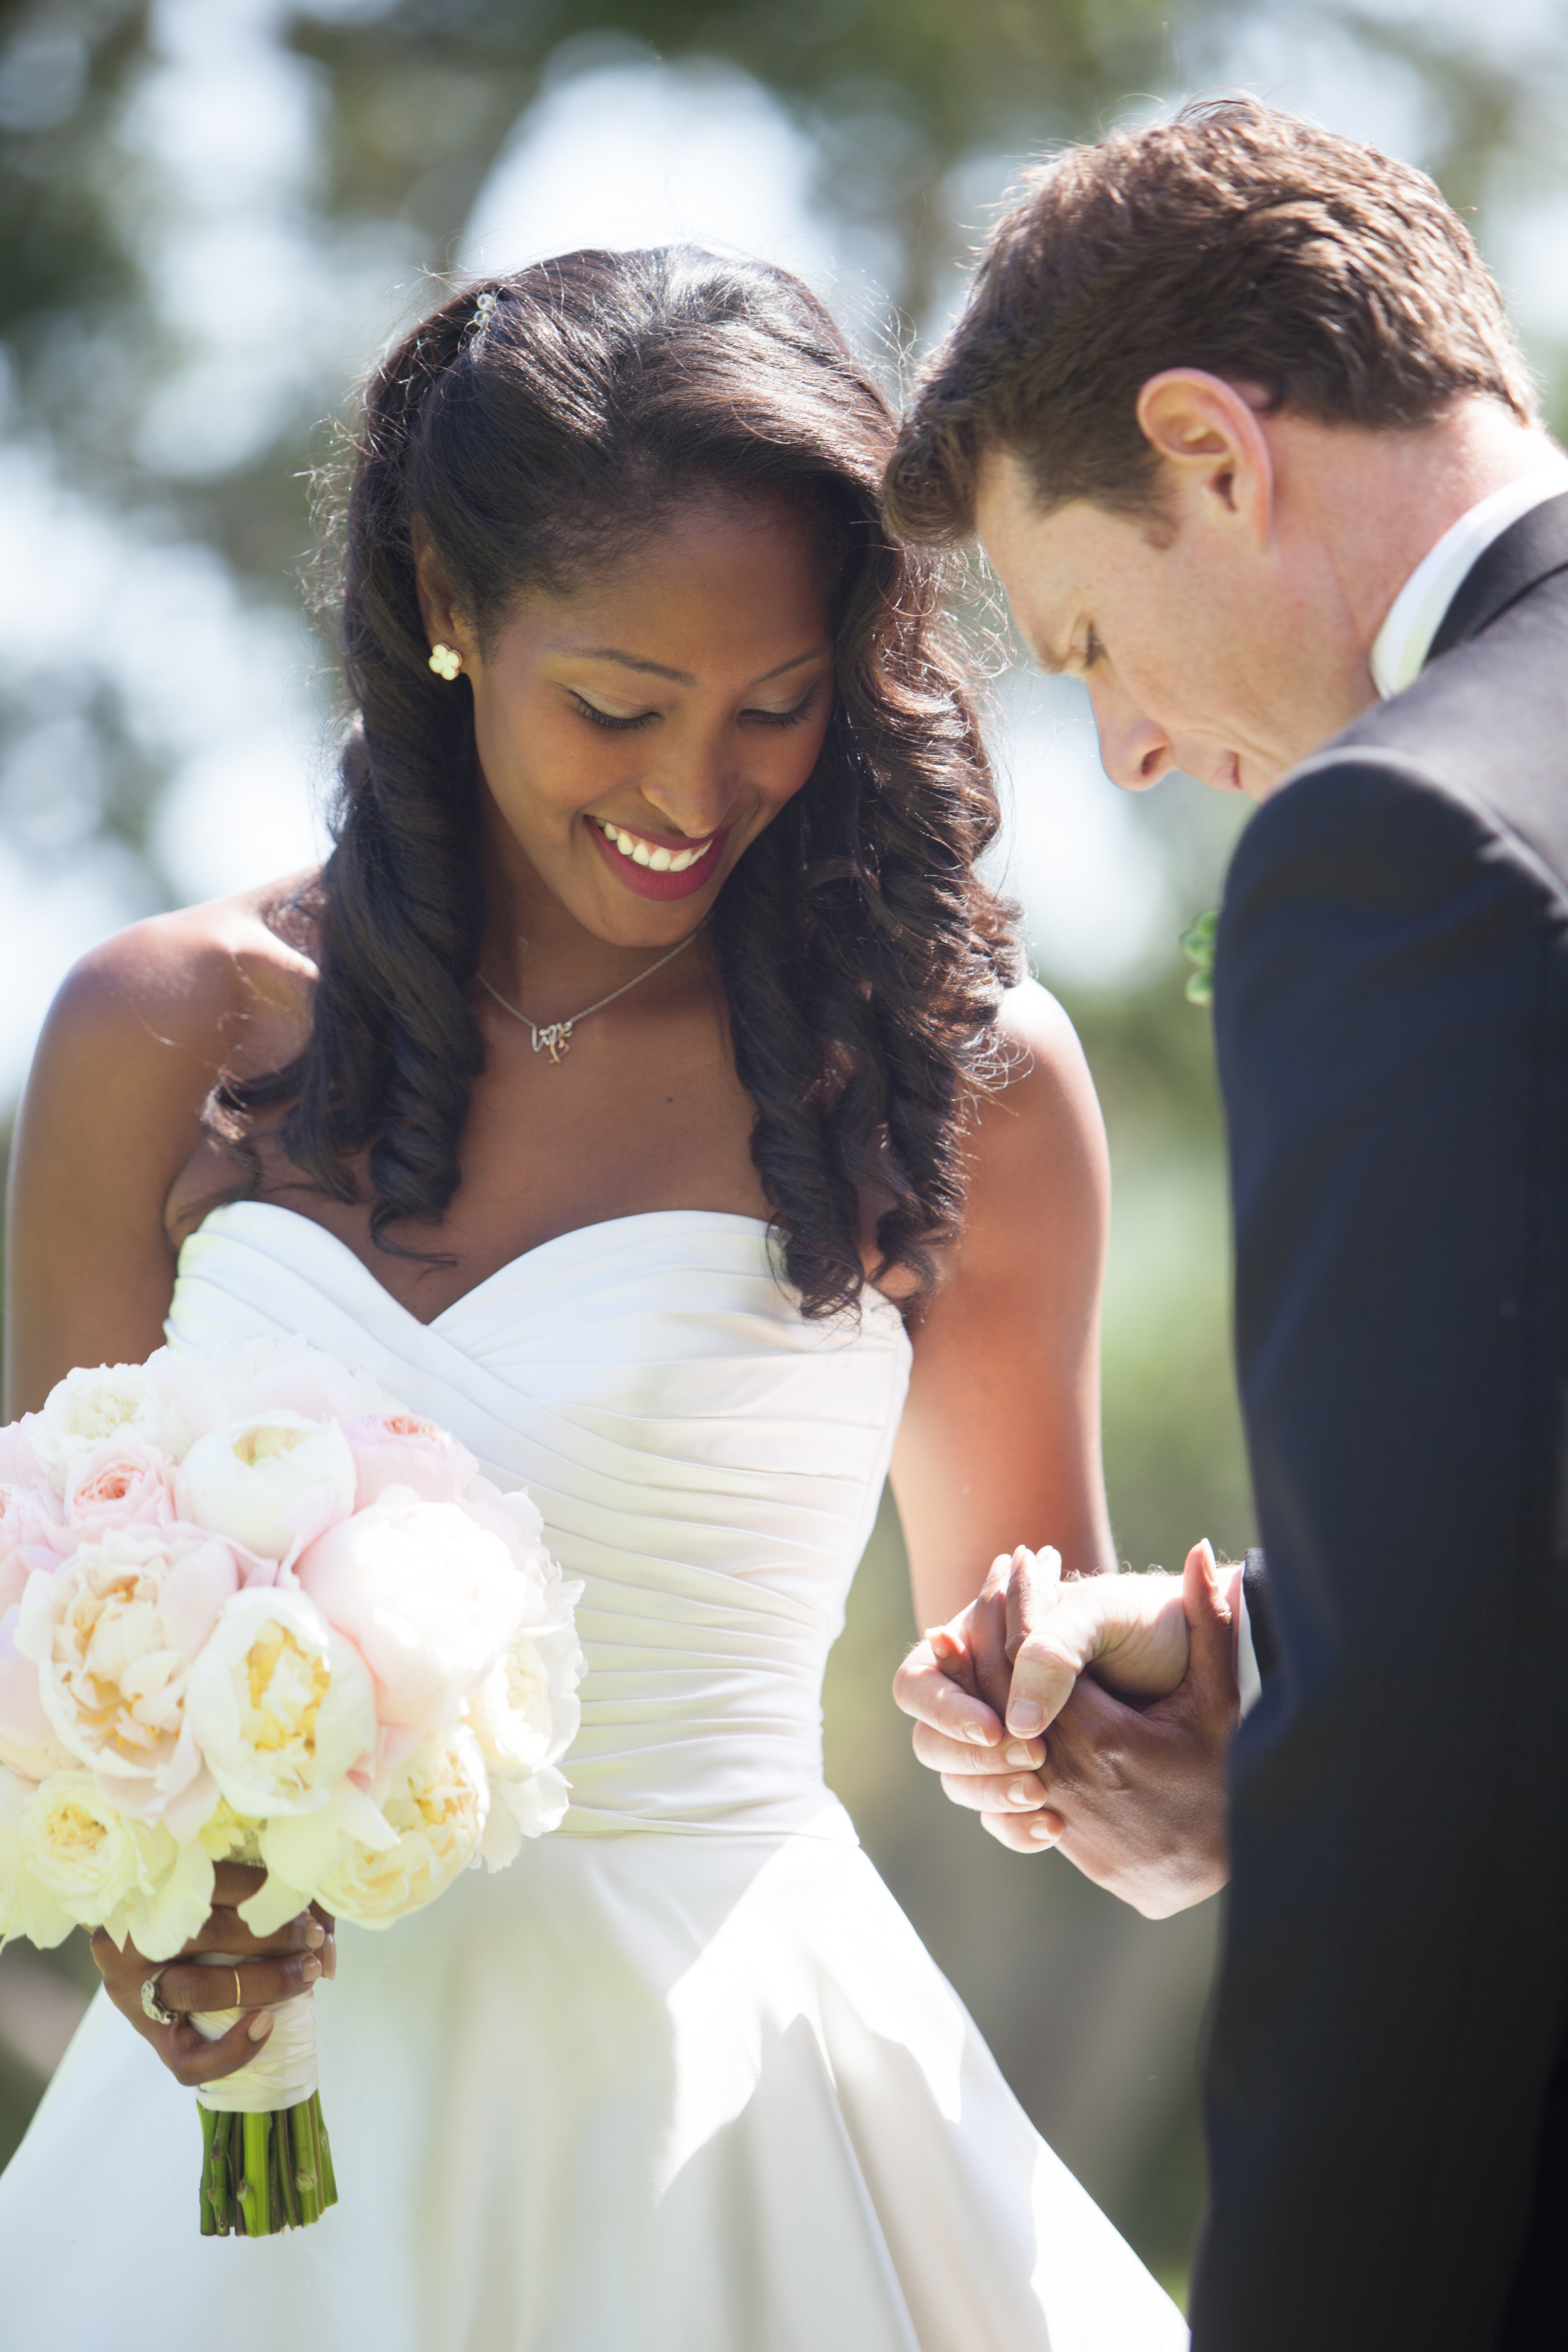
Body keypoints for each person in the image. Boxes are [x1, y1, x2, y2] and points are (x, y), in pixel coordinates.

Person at [0, 248, 1187, 2348]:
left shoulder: (964, 1082)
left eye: (777, 706)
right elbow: (45, 1672)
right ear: (451, 606)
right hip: (243, 2182)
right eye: (616, 705)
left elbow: (1067, 1726)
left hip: (739, 2132)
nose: (688, 795)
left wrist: (1103, 1699)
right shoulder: (157, 1032)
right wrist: (147, 1923)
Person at [885, 96, 1568, 2351]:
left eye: (1083, 634)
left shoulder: (1409, 853)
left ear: (1208, 451)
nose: (1122, 752)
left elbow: (1437, 1821)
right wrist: (1275, 1659)